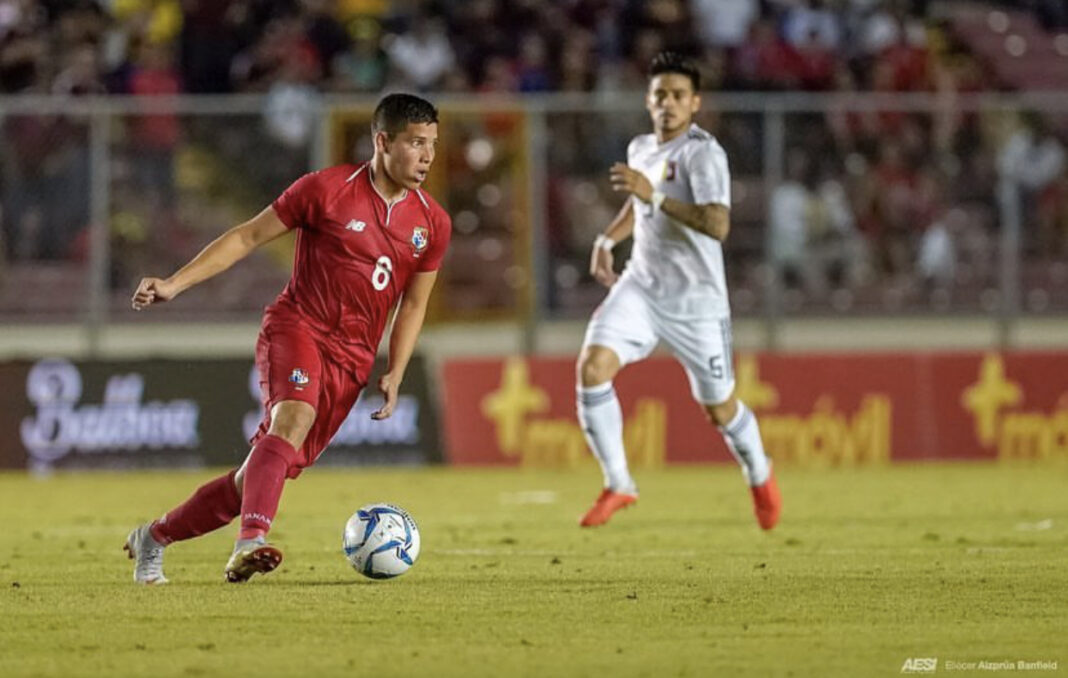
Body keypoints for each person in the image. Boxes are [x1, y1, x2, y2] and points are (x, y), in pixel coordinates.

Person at [124, 93, 451, 584]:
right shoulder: (326, 190)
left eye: (432, 144)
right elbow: (247, 237)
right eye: (416, 143)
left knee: (252, 480)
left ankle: (153, 537)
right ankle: (250, 542)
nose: (428, 156)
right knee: (293, 417)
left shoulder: (433, 223)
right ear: (383, 142)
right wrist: (174, 283)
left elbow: (414, 304)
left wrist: (397, 370)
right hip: (298, 327)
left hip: (352, 361)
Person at [576, 52, 781, 529]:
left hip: (697, 303)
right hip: (642, 287)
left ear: (695, 103)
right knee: (592, 368)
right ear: (648, 101)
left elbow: (717, 224)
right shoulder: (640, 148)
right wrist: (607, 240)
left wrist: (655, 195)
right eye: (660, 95)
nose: (668, 103)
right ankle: (619, 483)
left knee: (720, 409)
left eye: (678, 95)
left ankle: (760, 472)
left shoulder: (703, 154)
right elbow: (638, 207)